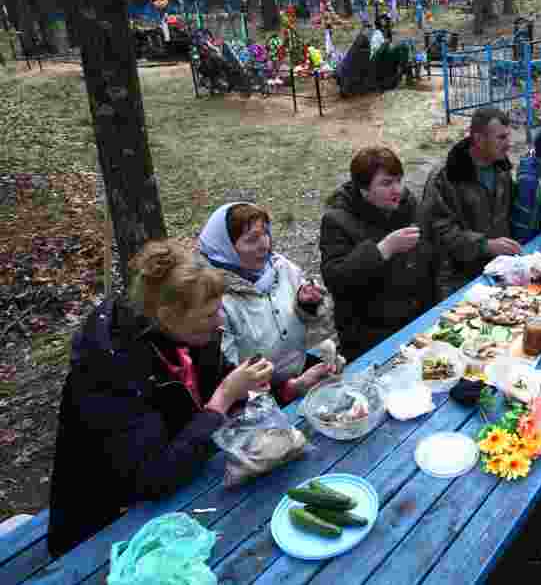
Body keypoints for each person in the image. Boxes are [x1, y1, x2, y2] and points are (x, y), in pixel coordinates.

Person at [49, 240, 275, 557]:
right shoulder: (112, 368)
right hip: (109, 530)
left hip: (186, 491)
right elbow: (154, 477)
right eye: (210, 315)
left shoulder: (183, 333)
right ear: (168, 315)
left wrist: (287, 385)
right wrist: (223, 399)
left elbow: (218, 381)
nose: (220, 322)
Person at [198, 203, 339, 405]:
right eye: (251, 240)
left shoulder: (281, 267)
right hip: (255, 400)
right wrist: (288, 389)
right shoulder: (215, 298)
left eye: (265, 233)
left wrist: (307, 304)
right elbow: (226, 378)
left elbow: (316, 322)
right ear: (224, 249)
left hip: (299, 374)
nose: (264, 244)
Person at [320, 147, 440, 358]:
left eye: (399, 180)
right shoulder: (337, 220)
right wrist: (383, 249)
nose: (398, 190)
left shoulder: (407, 204)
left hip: (417, 322)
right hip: (371, 335)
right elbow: (336, 279)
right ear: (363, 189)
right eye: (386, 183)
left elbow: (428, 260)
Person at [421, 107, 522, 296]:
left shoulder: (501, 168)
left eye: (508, 136)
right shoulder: (445, 176)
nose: (509, 144)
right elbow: (439, 231)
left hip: (499, 271)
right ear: (478, 139)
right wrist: (485, 245)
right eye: (501, 138)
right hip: (459, 280)